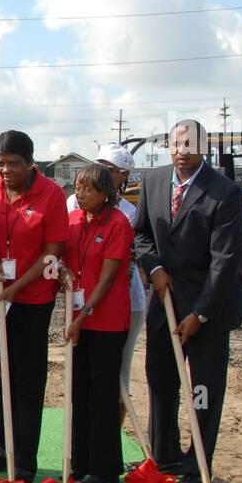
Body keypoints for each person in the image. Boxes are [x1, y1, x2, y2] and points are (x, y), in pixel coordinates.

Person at [133, 119, 242, 483]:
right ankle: (162, 456)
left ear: (203, 147)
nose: (182, 150)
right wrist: (155, 268)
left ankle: (196, 466)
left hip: (208, 310)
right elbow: (142, 233)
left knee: (202, 391)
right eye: (176, 143)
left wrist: (200, 313)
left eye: (190, 144)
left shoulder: (224, 192)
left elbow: (225, 260)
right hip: (164, 303)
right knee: (161, 382)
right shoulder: (153, 181)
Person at [0, 130, 69, 483]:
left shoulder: (51, 194)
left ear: (31, 163)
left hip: (30, 300)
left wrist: (16, 287)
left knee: (27, 380)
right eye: (0, 163)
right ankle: (2, 449)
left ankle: (25, 459)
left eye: (13, 164)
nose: (5, 171)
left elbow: (54, 249)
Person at [62, 165, 133, 483]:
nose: (81, 193)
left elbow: (107, 279)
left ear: (106, 193)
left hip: (105, 320)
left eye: (89, 188)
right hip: (78, 318)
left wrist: (83, 314)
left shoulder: (118, 224)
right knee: (79, 391)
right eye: (78, 187)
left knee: (102, 394)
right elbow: (65, 260)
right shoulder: (74, 221)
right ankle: (81, 462)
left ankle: (104, 468)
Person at [66, 144, 146, 425]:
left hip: (116, 305)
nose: (82, 191)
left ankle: (112, 437)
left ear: (122, 176)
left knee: (114, 375)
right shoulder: (75, 211)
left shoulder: (125, 215)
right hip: (81, 305)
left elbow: (113, 272)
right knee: (83, 383)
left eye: (109, 170)